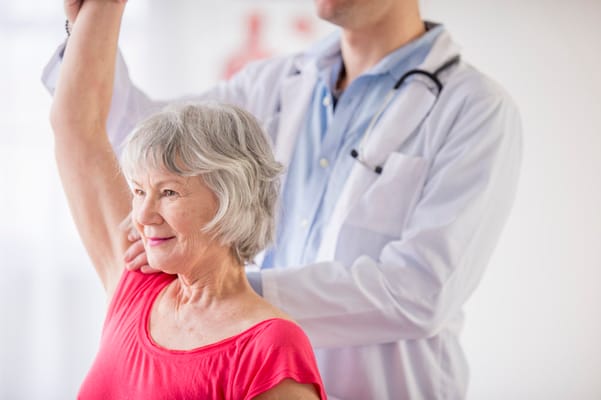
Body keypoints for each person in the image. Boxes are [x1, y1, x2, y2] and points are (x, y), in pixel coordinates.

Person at [43, 0, 522, 398]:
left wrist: (230, 298)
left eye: (163, 196)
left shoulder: (473, 108)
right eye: (149, 196)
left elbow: (420, 291)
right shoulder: (274, 82)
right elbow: (140, 141)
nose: (147, 212)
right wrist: (92, 18)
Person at [48, 1, 327, 399]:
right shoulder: (136, 284)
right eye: (140, 191)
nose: (142, 216)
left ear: (230, 199)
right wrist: (101, 9)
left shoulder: (270, 348)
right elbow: (75, 125)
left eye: (168, 193)